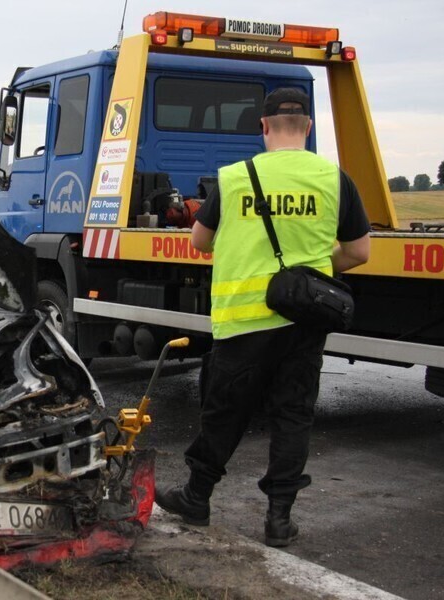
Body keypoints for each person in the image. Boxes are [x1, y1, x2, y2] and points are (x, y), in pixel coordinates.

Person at [155, 88, 371, 547]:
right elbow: (358, 252)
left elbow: (199, 242)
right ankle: (278, 520)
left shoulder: (235, 178)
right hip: (304, 320)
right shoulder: (334, 178)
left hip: (244, 319)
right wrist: (309, 268)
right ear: (308, 128)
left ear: (264, 127)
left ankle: (197, 497)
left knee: (225, 411)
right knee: (294, 415)